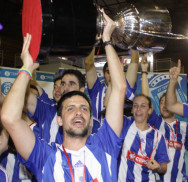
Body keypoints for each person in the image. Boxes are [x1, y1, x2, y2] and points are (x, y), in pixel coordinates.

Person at [1, 9, 126, 182]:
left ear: (90, 120)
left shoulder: (104, 145)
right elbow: (9, 118)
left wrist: (107, 40)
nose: (78, 112)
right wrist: (27, 68)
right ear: (58, 119)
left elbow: (119, 88)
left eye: (84, 108)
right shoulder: (45, 157)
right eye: (70, 108)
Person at [141, 57, 188, 182]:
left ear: (174, 104)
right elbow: (145, 99)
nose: (165, 105)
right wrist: (144, 71)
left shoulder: (185, 127)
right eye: (161, 102)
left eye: (168, 102)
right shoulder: (154, 122)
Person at [84, 44, 138, 121]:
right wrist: (94, 41)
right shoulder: (97, 90)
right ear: (103, 74)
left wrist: (132, 40)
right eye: (108, 72)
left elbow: (135, 60)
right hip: (101, 131)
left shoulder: (126, 86)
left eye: (115, 71)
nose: (112, 75)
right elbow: (88, 62)